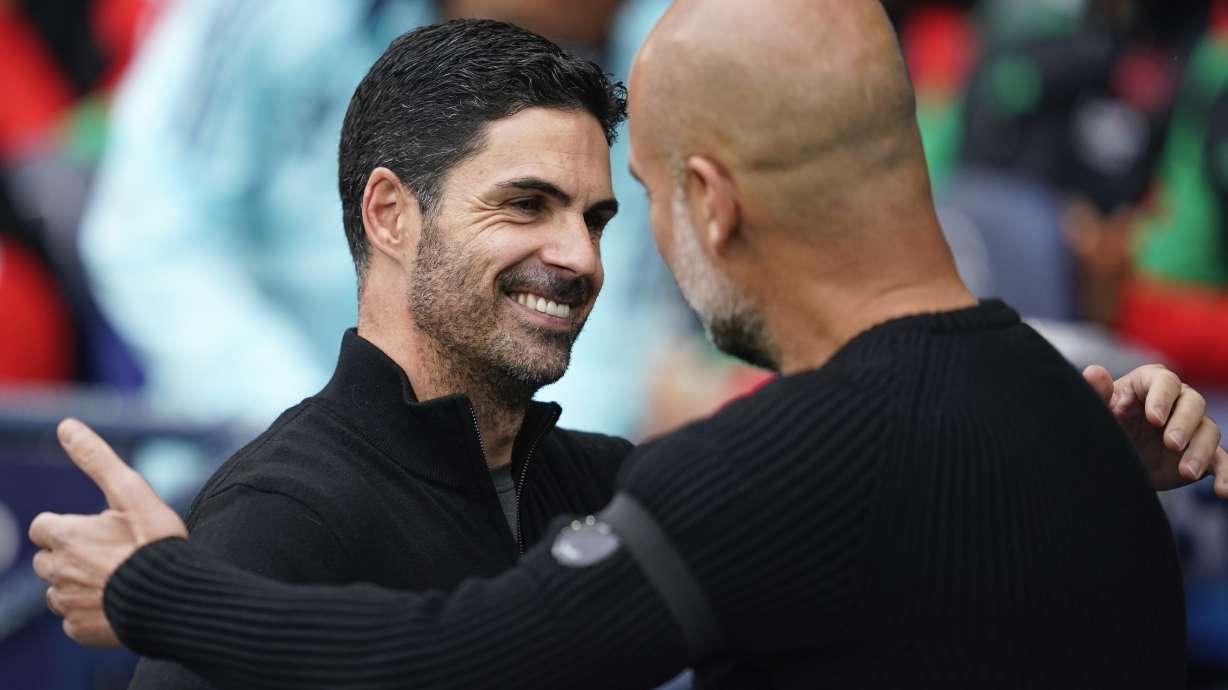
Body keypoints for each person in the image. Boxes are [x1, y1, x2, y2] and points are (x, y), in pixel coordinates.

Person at [29, 2, 1228, 689]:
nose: (597, 258)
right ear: (390, 214)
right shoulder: (1040, 408)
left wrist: (156, 587)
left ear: (710, 202)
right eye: (526, 203)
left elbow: (458, 658)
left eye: (621, 204)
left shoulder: (774, 473)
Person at [118, 19, 638, 690]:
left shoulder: (615, 485)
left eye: (594, 220)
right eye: (526, 204)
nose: (581, 256)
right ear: (390, 214)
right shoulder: (278, 518)